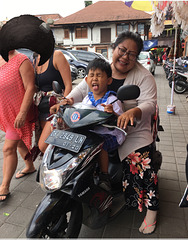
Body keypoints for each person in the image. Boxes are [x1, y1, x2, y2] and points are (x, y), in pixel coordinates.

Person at [43, 31, 159, 234]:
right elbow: (80, 90)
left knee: (141, 163)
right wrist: (66, 101)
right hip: (96, 127)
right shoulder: (100, 69)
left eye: (132, 54)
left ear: (137, 57)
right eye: (122, 50)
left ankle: (152, 210)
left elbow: (150, 103)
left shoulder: (144, 76)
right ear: (114, 49)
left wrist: (133, 110)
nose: (125, 56)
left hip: (130, 130)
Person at [61, 58, 126, 191]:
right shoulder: (86, 98)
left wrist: (113, 113)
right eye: (91, 75)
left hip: (110, 134)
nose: (94, 79)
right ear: (86, 80)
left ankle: (104, 176)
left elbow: (121, 120)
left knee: (99, 145)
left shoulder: (112, 100)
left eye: (99, 75)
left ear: (108, 80)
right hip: (92, 132)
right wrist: (70, 105)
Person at [15, 49, 72, 179]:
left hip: (56, 107)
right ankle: (58, 173)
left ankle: (62, 172)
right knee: (48, 146)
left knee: (44, 145)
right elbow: (36, 87)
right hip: (41, 108)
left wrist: (62, 105)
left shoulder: (56, 55)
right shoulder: (36, 59)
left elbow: (68, 85)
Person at [0, 50, 36, 201]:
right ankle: (30, 166)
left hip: (19, 111)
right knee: (19, 142)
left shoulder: (21, 59)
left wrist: (22, 113)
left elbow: (30, 87)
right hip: (5, 111)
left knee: (8, 148)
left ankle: (4, 186)